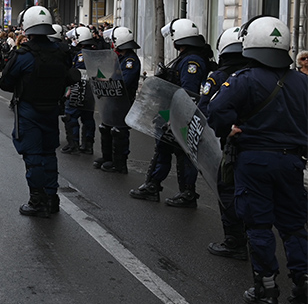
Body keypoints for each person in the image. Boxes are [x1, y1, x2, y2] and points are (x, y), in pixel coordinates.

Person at [208, 16, 307, 304]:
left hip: (254, 162)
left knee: (260, 226)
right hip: (292, 162)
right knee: (294, 226)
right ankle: (302, 283)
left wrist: (229, 130)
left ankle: (267, 288)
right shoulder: (302, 82)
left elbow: (216, 111)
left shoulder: (244, 79)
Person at [0, 6, 77, 217]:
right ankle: (52, 198)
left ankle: (37, 200)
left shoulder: (23, 55)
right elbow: (70, 76)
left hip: (29, 110)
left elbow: (5, 83)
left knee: (33, 156)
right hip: (52, 108)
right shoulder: (61, 52)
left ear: (27, 27)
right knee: (49, 153)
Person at [130, 18, 212, 207]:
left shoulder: (192, 61)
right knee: (163, 149)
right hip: (170, 112)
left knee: (183, 154)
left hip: (179, 114)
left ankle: (187, 193)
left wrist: (177, 118)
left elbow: (189, 93)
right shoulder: (186, 57)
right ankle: (153, 185)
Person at [199, 26, 251, 261]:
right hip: (266, 147)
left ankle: (234, 241)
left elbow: (206, 108)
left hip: (232, 146)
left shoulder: (220, 77)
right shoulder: (262, 75)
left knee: (228, 190)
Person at [96, 26, 141, 174]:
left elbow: (125, 83)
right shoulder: (118, 57)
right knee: (106, 127)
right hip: (111, 99)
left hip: (123, 101)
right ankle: (107, 158)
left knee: (119, 131)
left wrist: (108, 84)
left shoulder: (130, 60)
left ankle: (119, 163)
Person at [63, 27, 97, 155]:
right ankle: (88, 145)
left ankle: (74, 143)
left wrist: (70, 89)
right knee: (88, 118)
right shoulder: (96, 53)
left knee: (70, 116)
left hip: (79, 90)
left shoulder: (81, 55)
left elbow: (78, 74)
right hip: (91, 92)